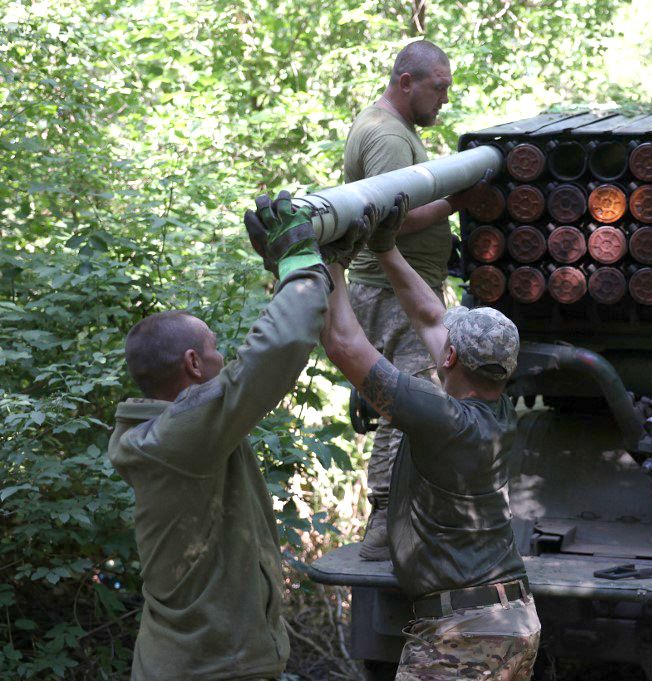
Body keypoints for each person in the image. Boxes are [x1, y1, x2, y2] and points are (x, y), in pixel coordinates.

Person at [107, 192, 368, 680]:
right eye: (215, 350)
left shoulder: (177, 433)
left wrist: (323, 265)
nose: (223, 358)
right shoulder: (179, 436)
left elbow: (270, 344)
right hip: (211, 670)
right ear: (191, 364)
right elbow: (274, 350)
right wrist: (297, 261)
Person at [320, 194, 540, 680]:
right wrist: (385, 249)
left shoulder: (444, 419)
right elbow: (430, 318)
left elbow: (344, 344)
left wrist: (328, 264)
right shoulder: (496, 406)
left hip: (466, 631)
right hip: (510, 618)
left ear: (450, 360)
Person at [343, 39, 479, 559]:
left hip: (396, 290)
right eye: (438, 87)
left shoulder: (391, 129)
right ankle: (384, 524)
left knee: (410, 401)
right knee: (408, 403)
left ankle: (402, 516)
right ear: (407, 82)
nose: (444, 99)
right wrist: (455, 201)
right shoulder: (387, 137)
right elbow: (386, 219)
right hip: (389, 291)